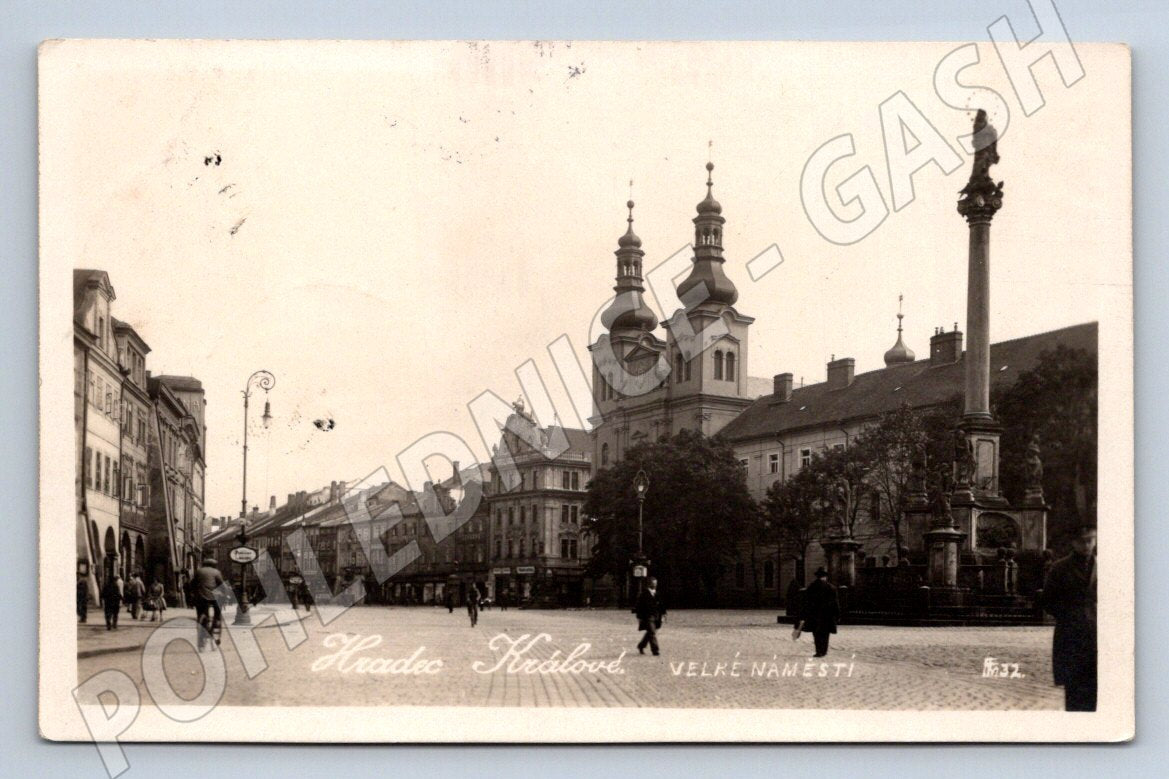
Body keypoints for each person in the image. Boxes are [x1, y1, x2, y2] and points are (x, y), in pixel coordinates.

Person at [1043, 524, 1097, 711]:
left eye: (1091, 540)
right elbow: (1048, 601)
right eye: (1082, 541)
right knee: (1074, 690)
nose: (1087, 545)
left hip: (1098, 635)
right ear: (1073, 543)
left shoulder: (1105, 567)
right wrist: (1069, 616)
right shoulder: (1060, 568)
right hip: (1070, 636)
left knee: (1099, 687)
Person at [798, 567, 839, 658]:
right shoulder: (831, 588)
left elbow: (806, 602)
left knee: (816, 633)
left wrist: (804, 614)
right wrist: (837, 614)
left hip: (814, 614)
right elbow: (835, 603)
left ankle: (818, 651)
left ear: (817, 576)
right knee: (825, 633)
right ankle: (824, 651)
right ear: (825, 577)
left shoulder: (812, 587)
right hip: (827, 615)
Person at [192, 558, 226, 648]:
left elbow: (192, 583)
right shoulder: (216, 572)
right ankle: (215, 624)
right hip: (213, 597)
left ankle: (202, 630)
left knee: (201, 613)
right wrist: (225, 594)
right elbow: (222, 585)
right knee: (217, 611)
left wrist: (194, 593)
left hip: (200, 596)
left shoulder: (198, 571)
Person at [633, 577, 666, 656]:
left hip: (657, 616)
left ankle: (641, 646)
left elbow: (662, 605)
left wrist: (663, 614)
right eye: (653, 583)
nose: (655, 585)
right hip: (648, 616)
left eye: (656, 583)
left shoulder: (657, 594)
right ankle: (655, 650)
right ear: (649, 584)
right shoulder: (644, 594)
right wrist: (639, 617)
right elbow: (639, 606)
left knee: (650, 632)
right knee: (652, 632)